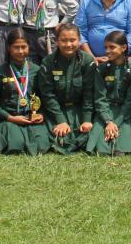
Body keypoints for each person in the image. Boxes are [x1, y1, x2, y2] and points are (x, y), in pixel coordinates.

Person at [39, 23, 102, 155]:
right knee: (59, 137)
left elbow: (88, 93)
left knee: (87, 134)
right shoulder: (48, 62)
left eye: (72, 40)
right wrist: (60, 120)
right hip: (57, 110)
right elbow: (48, 95)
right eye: (63, 40)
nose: (68, 44)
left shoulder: (87, 61)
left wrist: (87, 119)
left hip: (79, 109)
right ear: (56, 41)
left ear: (79, 40)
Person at [0, 27, 49, 156]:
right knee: (15, 146)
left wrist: (42, 115)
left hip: (31, 118)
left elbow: (46, 98)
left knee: (42, 146)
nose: (20, 51)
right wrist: (10, 118)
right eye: (16, 47)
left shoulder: (37, 70)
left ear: (29, 47)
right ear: (8, 48)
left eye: (24, 47)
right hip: (10, 118)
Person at [90, 30, 131, 155]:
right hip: (105, 111)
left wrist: (115, 123)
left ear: (123, 48)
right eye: (106, 47)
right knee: (101, 149)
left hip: (124, 113)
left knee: (120, 150)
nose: (107, 51)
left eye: (112, 47)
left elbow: (130, 101)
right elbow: (99, 98)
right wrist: (108, 121)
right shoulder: (101, 69)